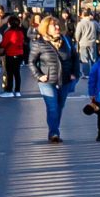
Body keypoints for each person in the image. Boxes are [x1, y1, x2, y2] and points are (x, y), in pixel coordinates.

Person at [31, 14, 80, 142]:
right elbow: (31, 62)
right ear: (46, 28)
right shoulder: (39, 43)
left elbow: (75, 57)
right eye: (54, 25)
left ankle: (54, 129)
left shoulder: (66, 41)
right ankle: (54, 133)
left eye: (58, 25)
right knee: (52, 106)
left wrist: (75, 73)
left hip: (65, 79)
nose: (57, 27)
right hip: (47, 81)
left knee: (59, 106)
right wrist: (39, 75)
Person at [0, 10, 27, 97]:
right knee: (17, 73)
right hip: (20, 54)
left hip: (11, 54)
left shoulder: (9, 33)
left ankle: (9, 90)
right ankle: (17, 91)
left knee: (9, 72)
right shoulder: (20, 32)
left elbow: (4, 43)